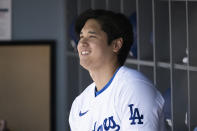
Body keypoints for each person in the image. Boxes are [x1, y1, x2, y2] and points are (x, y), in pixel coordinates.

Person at [69, 9, 166, 131]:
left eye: (91, 36)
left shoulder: (133, 88)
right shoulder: (79, 104)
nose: (82, 42)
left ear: (116, 45)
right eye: (81, 36)